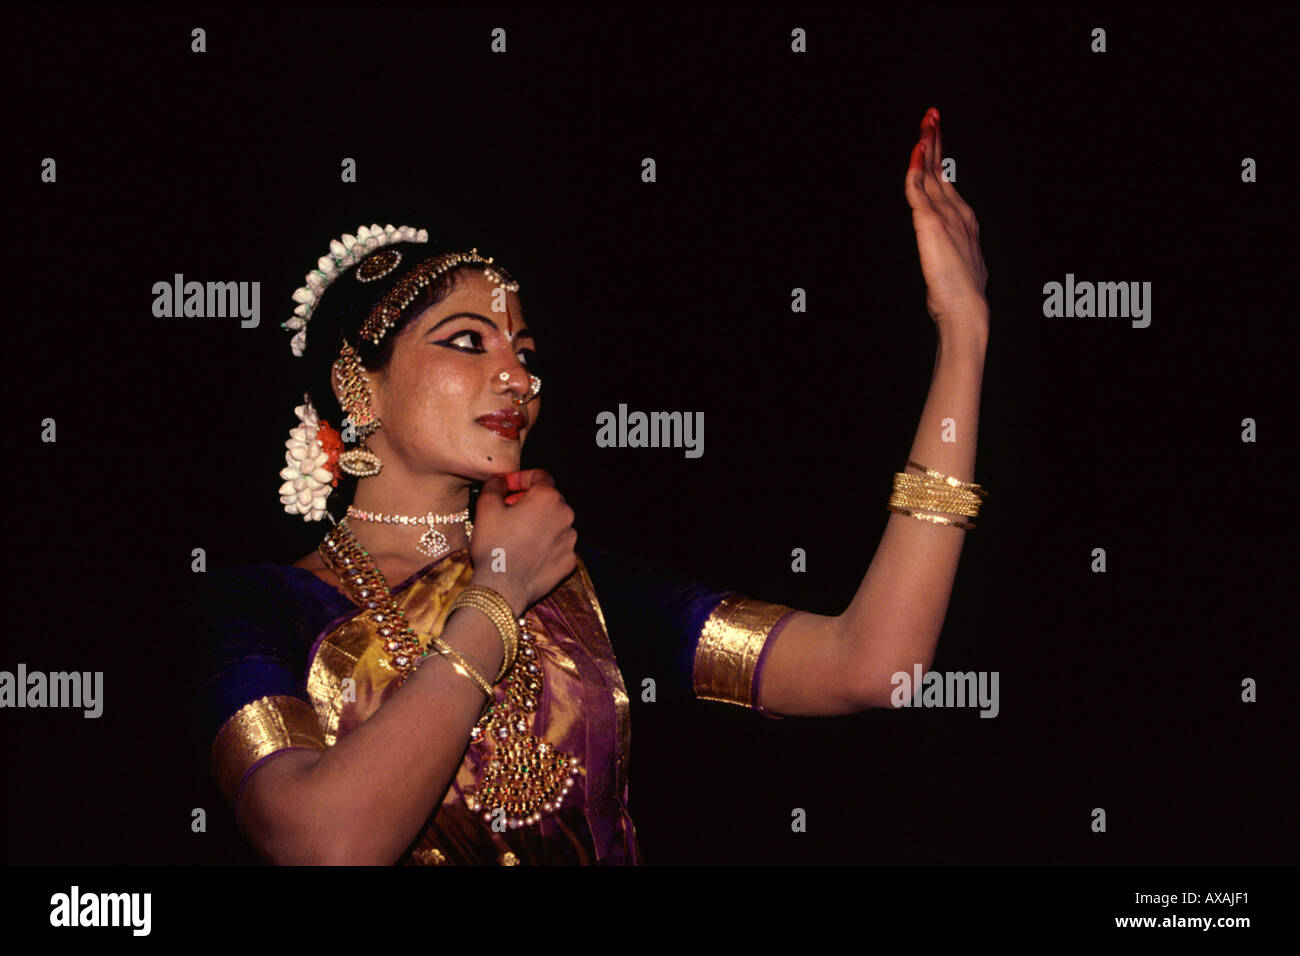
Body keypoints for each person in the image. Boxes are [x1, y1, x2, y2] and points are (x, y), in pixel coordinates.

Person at [192, 107, 990, 865]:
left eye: (524, 348)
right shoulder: (259, 609)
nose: (517, 376)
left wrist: (963, 333)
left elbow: (872, 664)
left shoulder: (581, 589)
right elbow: (322, 844)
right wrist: (497, 595)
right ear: (354, 384)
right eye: (467, 341)